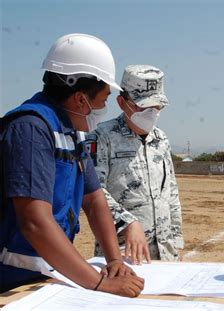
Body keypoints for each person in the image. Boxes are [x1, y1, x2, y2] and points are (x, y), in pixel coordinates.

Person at [0, 33, 144, 297]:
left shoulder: (70, 132)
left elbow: (94, 200)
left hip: (44, 275)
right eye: (102, 100)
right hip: (11, 280)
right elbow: (34, 221)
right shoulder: (30, 129)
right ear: (80, 99)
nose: (103, 108)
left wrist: (114, 261)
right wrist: (99, 283)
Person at [88, 65, 184, 264]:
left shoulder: (161, 139)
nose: (152, 113)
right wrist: (127, 222)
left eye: (157, 106)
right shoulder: (102, 138)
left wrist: (176, 241)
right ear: (122, 102)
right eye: (143, 107)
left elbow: (171, 192)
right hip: (123, 253)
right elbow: (94, 192)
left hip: (166, 253)